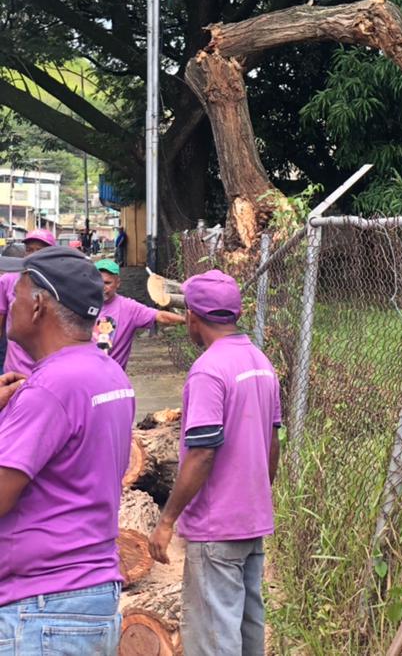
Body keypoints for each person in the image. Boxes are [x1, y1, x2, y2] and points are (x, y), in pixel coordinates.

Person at [0, 246, 135, 653]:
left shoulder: (48, 389)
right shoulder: (107, 373)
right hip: (88, 599)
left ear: (38, 304)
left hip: (42, 611)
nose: (10, 303)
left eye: (16, 295)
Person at [149, 270, 281, 656]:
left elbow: (203, 451)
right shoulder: (260, 361)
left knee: (213, 636)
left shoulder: (208, 370)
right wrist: (257, 494)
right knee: (246, 627)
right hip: (251, 518)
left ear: (192, 315)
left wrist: (167, 519)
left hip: (215, 525)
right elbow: (272, 441)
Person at [93, 260, 186, 370]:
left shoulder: (128, 307)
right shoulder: (81, 304)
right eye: (98, 282)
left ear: (118, 283)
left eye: (107, 283)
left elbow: (160, 316)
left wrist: (188, 320)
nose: (102, 287)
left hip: (112, 377)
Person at [0, 229, 56, 378]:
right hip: (14, 370)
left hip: (48, 370)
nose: (33, 255)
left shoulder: (59, 284)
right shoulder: (8, 280)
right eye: (29, 250)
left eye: (39, 250)